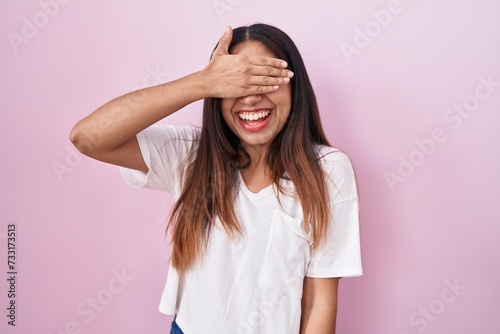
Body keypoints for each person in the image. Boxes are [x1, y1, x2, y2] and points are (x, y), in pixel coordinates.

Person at [69, 23, 362, 334]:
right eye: (236, 84)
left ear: (295, 87)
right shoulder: (189, 155)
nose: (250, 99)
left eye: (265, 80)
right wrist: (201, 82)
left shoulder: (327, 170)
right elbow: (87, 137)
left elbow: (319, 303)